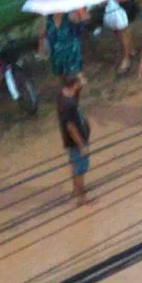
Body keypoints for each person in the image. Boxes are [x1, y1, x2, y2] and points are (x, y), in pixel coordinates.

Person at [57, 74, 91, 207]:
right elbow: (71, 127)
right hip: (76, 141)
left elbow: (76, 95)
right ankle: (82, 198)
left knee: (73, 164)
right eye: (79, 83)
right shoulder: (69, 105)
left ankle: (76, 190)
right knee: (80, 169)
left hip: (69, 140)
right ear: (74, 85)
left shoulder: (63, 95)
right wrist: (81, 145)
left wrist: (80, 84)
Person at [102, 0, 137, 75]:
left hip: (125, 8)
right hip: (113, 9)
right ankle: (130, 50)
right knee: (119, 32)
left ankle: (126, 58)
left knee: (123, 32)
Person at [39, 9, 88, 80]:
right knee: (63, 77)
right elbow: (42, 35)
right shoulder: (48, 19)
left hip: (71, 53)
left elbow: (84, 18)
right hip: (57, 55)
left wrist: (80, 13)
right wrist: (41, 45)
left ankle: (75, 84)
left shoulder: (70, 15)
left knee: (75, 75)